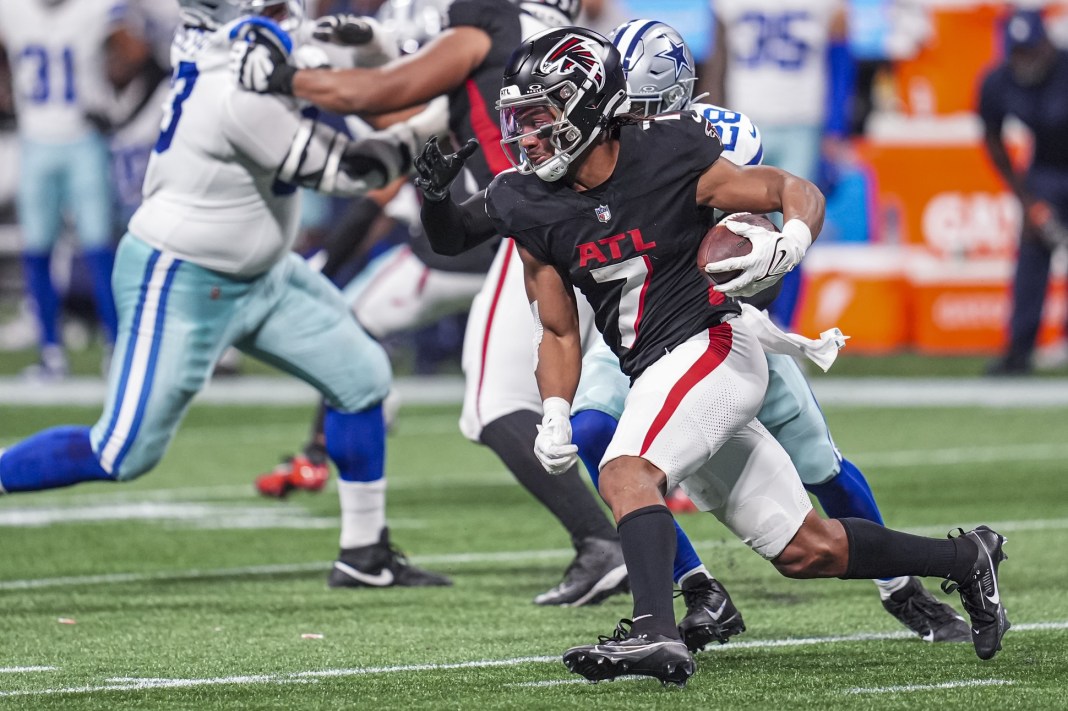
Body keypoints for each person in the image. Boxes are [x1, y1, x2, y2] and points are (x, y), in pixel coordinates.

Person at [415, 26, 1010, 685]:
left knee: (625, 471)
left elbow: (790, 188)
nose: (525, 138)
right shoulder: (528, 200)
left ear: (587, 109)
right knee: (806, 548)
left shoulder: (667, 151)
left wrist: (791, 241)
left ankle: (654, 632)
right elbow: (551, 325)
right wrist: (435, 199)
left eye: (540, 118)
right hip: (655, 367)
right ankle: (965, 557)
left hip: (713, 343)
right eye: (518, 121)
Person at [0, 0, 451, 590]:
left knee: (362, 378)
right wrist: (440, 119)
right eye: (274, 8)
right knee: (121, 452)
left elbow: (358, 74)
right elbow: (353, 170)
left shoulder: (245, 55)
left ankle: (363, 554)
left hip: (262, 271)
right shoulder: (231, 93)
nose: (291, 17)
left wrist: (371, 45)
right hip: (182, 278)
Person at [232, 0, 634, 607]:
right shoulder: (568, 39)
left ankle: (604, 544)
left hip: (545, 222)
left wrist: (286, 76)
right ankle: (685, 559)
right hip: (607, 220)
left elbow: (389, 91)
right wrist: (369, 49)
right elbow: (408, 102)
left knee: (494, 405)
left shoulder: (494, 22)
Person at [606, 18, 969, 645]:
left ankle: (902, 587)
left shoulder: (718, 139)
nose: (628, 116)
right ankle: (692, 589)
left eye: (635, 101)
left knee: (817, 462)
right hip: (635, 338)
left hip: (726, 332)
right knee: (600, 443)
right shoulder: (595, 154)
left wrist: (763, 258)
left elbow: (763, 263)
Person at [700, 0, 853, 328]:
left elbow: (840, 59)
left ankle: (783, 324)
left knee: (795, 228)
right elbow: (719, 58)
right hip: (745, 122)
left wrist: (836, 128)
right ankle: (735, 321)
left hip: (803, 121)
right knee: (734, 225)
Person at [0, 0, 125, 379]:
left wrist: (113, 98)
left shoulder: (95, 9)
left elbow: (133, 49)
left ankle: (115, 348)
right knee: (36, 250)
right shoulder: (14, 9)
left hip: (84, 139)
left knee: (99, 248)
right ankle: (51, 351)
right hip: (36, 140)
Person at [980, 9, 1068, 376]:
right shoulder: (997, 82)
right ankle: (1019, 351)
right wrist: (1028, 201)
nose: (1025, 62)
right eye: (1018, 53)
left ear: (1046, 45)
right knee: (1033, 250)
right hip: (1046, 168)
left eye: (1030, 52)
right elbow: (994, 140)